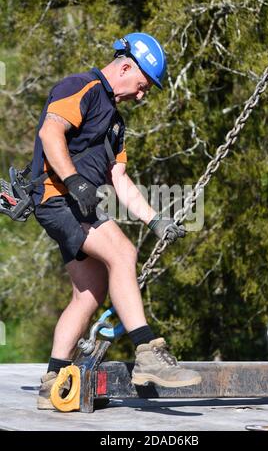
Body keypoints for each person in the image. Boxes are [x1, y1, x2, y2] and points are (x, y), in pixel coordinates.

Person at [33, 32, 202, 409]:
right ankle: (148, 352)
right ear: (126, 66)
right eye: (142, 86)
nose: (142, 95)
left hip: (77, 204)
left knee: (88, 293)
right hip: (57, 196)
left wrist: (154, 220)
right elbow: (50, 130)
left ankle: (52, 382)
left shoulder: (116, 124)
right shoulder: (83, 87)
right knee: (123, 254)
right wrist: (74, 181)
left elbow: (120, 181)